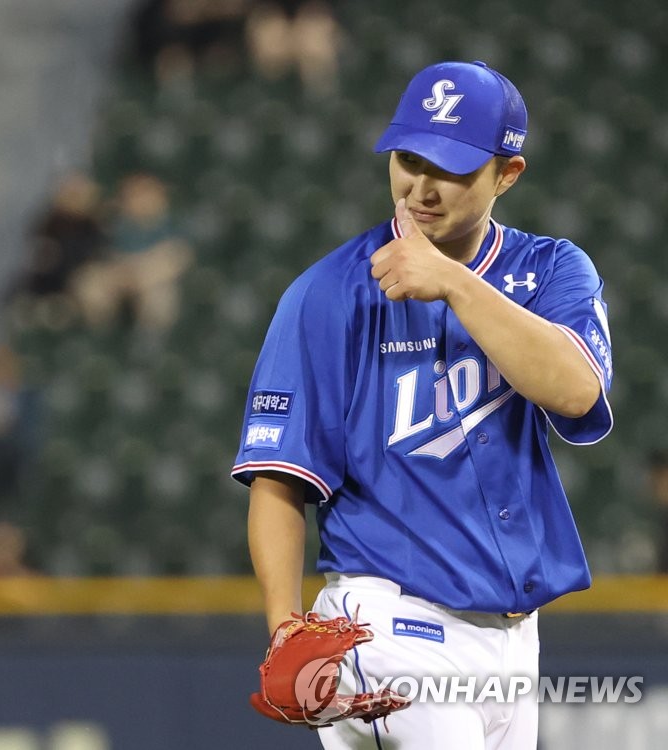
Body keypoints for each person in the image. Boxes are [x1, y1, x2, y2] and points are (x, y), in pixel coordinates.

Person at [232, 61, 613, 749]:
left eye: (453, 167)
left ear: (508, 174)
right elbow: (279, 481)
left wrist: (455, 285)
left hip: (512, 645)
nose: (421, 186)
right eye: (409, 159)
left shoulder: (553, 271)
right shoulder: (327, 294)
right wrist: (287, 628)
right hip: (385, 630)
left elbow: (575, 390)